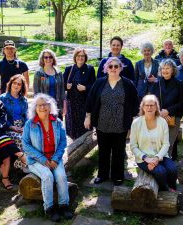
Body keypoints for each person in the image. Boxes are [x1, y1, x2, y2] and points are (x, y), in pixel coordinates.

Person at [85, 57, 139, 185]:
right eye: (110, 66)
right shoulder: (99, 83)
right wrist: (88, 116)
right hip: (102, 123)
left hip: (120, 124)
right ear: (106, 69)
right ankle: (102, 175)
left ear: (120, 68)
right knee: (103, 151)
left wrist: (132, 124)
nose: (113, 69)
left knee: (118, 152)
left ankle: (117, 176)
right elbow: (90, 100)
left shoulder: (128, 84)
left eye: (116, 66)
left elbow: (134, 104)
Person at [22, 94, 72, 222]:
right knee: (47, 176)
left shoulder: (57, 122)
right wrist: (43, 160)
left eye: (45, 104)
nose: (43, 107)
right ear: (35, 108)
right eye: (39, 105)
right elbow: (26, 145)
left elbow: (62, 142)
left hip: (54, 159)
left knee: (61, 176)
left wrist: (55, 159)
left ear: (50, 107)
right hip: (36, 160)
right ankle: (49, 208)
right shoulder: (30, 124)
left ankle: (64, 205)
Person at [130, 94, 177, 191]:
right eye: (147, 105)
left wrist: (157, 158)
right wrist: (145, 158)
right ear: (143, 107)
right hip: (143, 159)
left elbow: (166, 144)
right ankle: (165, 190)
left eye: (152, 105)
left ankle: (173, 188)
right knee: (161, 171)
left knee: (172, 170)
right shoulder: (136, 123)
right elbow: (133, 146)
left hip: (161, 156)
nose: (149, 107)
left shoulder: (162, 122)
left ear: (156, 107)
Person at [149, 59, 183, 160]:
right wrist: (160, 113)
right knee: (156, 145)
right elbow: (151, 100)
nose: (165, 70)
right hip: (157, 117)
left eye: (168, 68)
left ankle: (167, 169)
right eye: (163, 68)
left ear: (173, 70)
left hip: (173, 119)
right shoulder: (156, 83)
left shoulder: (179, 84)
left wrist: (168, 111)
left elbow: (182, 103)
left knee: (168, 146)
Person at [63, 48, 96, 139]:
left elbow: (94, 86)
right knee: (72, 125)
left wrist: (85, 88)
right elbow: (62, 84)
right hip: (71, 103)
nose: (80, 58)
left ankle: (85, 143)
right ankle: (74, 142)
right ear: (75, 57)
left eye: (82, 56)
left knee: (84, 125)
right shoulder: (69, 69)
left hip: (84, 103)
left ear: (85, 58)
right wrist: (66, 86)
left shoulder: (90, 69)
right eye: (78, 56)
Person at [33, 49, 65, 120]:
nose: (48, 59)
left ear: (53, 59)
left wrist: (64, 106)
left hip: (57, 107)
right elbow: (36, 93)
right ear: (42, 59)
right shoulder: (38, 73)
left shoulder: (59, 73)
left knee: (57, 128)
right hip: (43, 107)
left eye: (50, 57)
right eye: (46, 57)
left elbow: (62, 91)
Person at [0, 74, 28, 151]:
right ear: (10, 84)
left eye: (19, 84)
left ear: (22, 87)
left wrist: (25, 127)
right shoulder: (2, 98)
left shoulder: (23, 100)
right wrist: (11, 126)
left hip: (22, 127)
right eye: (14, 83)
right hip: (8, 128)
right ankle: (20, 163)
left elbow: (26, 116)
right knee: (22, 140)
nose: (16, 85)